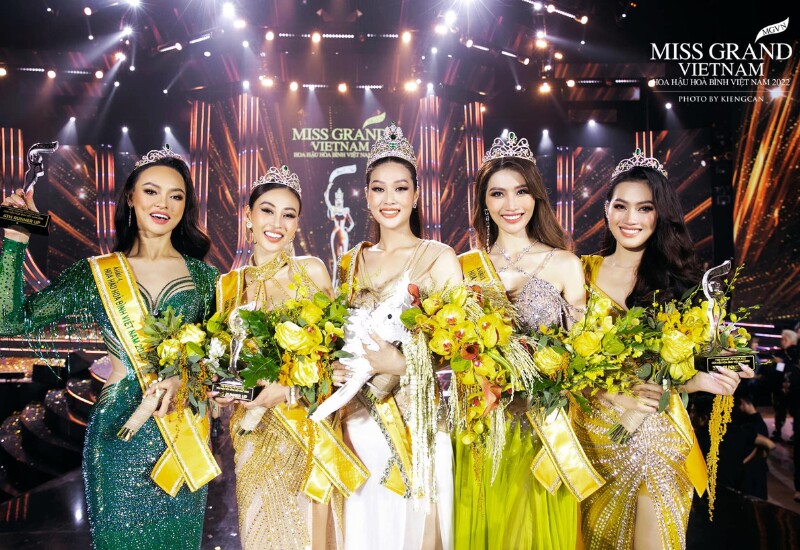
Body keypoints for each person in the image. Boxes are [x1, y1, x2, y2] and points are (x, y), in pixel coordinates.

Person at [0, 148, 219, 549]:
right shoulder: (95, 274)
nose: (163, 204)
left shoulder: (205, 278)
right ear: (130, 197)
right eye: (151, 191)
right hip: (118, 434)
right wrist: (15, 241)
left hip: (181, 434)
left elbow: (218, 360)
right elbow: (10, 321)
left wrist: (192, 376)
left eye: (176, 195)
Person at [572, 149, 755, 550]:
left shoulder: (681, 285)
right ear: (606, 210)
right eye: (621, 206)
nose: (631, 218)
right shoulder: (578, 272)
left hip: (655, 437)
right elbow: (566, 364)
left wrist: (710, 376)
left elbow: (684, 369)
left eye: (645, 208)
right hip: (589, 442)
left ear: (660, 215)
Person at [211, 164, 364, 549]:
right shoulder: (227, 286)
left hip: (305, 431)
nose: (276, 223)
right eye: (267, 210)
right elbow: (222, 362)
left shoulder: (311, 272)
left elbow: (337, 362)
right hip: (252, 435)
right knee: (259, 532)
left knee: (308, 534)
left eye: (288, 214)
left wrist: (288, 390)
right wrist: (220, 388)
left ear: (296, 225)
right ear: (248, 216)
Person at [456, 132, 591, 549]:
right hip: (486, 426)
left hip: (545, 428)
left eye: (520, 191)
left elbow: (584, 353)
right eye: (497, 194)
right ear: (484, 202)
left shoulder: (565, 264)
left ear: (536, 196)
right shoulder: (464, 267)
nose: (510, 204)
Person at [332, 123, 461, 550]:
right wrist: (334, 367)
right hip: (358, 423)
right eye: (379, 189)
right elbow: (337, 340)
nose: (390, 199)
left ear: (416, 195)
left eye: (400, 188)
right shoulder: (349, 263)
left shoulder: (439, 258)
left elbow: (462, 354)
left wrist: (400, 363)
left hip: (417, 425)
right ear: (366, 197)